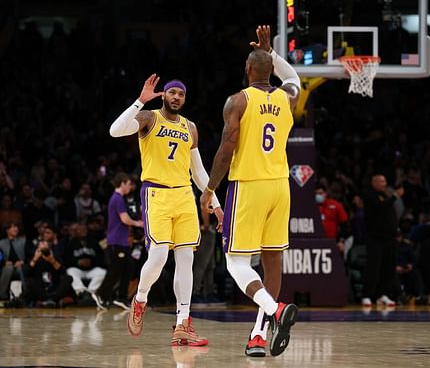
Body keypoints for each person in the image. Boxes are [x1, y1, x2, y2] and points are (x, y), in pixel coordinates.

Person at [200, 25, 299, 357]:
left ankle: (274, 311)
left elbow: (226, 150)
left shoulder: (238, 100)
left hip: (249, 185)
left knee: (235, 263)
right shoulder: (287, 97)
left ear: (247, 70)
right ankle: (258, 335)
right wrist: (272, 52)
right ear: (270, 69)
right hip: (280, 187)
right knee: (272, 260)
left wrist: (210, 188)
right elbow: (295, 77)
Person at [109, 73, 224, 346]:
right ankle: (140, 299)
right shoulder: (149, 118)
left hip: (184, 196)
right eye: (172, 92)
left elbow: (198, 171)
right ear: (164, 95)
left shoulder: (190, 127)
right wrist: (139, 101)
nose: (176, 97)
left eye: (181, 94)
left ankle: (183, 323)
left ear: (185, 99)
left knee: (186, 262)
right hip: (156, 194)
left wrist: (216, 204)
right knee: (159, 257)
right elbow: (115, 130)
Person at [91, 172, 143, 310]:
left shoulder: (120, 198)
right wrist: (139, 223)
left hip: (122, 241)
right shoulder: (117, 198)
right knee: (115, 270)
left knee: (128, 268)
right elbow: (124, 219)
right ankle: (100, 294)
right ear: (123, 183)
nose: (130, 187)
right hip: (116, 241)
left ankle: (121, 297)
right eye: (128, 184)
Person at [360, 174, 404, 307]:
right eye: (381, 181)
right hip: (375, 237)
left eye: (385, 181)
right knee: (373, 266)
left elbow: (391, 213)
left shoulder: (385, 195)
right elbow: (380, 208)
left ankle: (383, 294)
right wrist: (395, 196)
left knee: (389, 267)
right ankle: (367, 295)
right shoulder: (369, 195)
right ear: (374, 182)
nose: (384, 184)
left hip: (390, 237)